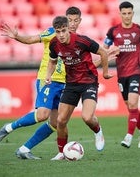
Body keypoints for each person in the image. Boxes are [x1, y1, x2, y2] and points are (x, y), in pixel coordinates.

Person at [0, 7, 82, 159]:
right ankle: (7, 128)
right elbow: (32, 39)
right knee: (42, 115)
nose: (72, 23)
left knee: (55, 123)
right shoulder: (53, 32)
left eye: (75, 20)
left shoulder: (78, 40)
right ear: (65, 20)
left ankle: (24, 149)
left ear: (80, 21)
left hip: (65, 84)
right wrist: (18, 36)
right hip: (48, 80)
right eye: (69, 20)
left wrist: (105, 57)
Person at [46, 16, 115, 160]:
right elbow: (52, 61)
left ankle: (98, 131)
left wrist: (106, 72)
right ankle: (61, 153)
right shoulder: (54, 44)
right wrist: (48, 75)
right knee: (61, 120)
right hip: (71, 84)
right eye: (58, 32)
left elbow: (102, 52)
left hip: (89, 81)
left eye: (63, 31)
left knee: (87, 117)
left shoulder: (82, 41)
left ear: (68, 29)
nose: (61, 35)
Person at [103, 1, 140, 149]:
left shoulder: (139, 30)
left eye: (129, 13)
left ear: (133, 13)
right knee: (131, 107)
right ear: (120, 14)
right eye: (124, 13)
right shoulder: (113, 31)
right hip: (122, 73)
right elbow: (104, 49)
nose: (127, 16)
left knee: (133, 104)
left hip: (136, 71)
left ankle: (129, 136)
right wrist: (111, 51)